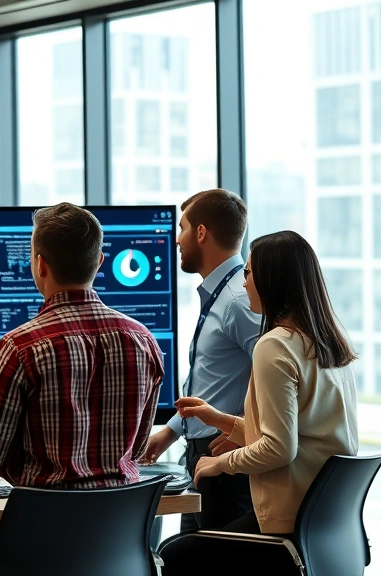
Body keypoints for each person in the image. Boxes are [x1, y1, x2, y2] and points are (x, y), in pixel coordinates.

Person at [159, 230, 359, 573]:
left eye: (248, 273)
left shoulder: (275, 346)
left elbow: (280, 448)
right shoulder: (326, 341)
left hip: (284, 526)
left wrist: (220, 463)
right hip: (322, 523)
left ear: (270, 280)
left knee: (173, 554)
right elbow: (301, 430)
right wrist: (221, 420)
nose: (244, 281)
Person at [0, 202, 164, 498]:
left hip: (42, 533)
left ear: (40, 264)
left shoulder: (19, 348)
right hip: (118, 529)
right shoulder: (144, 341)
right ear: (99, 261)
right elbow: (135, 448)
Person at [141, 188, 260, 530]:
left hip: (225, 455)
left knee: (206, 559)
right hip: (205, 450)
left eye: (182, 228)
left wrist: (242, 431)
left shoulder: (238, 300)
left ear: (201, 232)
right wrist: (171, 432)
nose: (177, 240)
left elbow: (274, 375)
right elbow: (213, 379)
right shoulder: (223, 294)